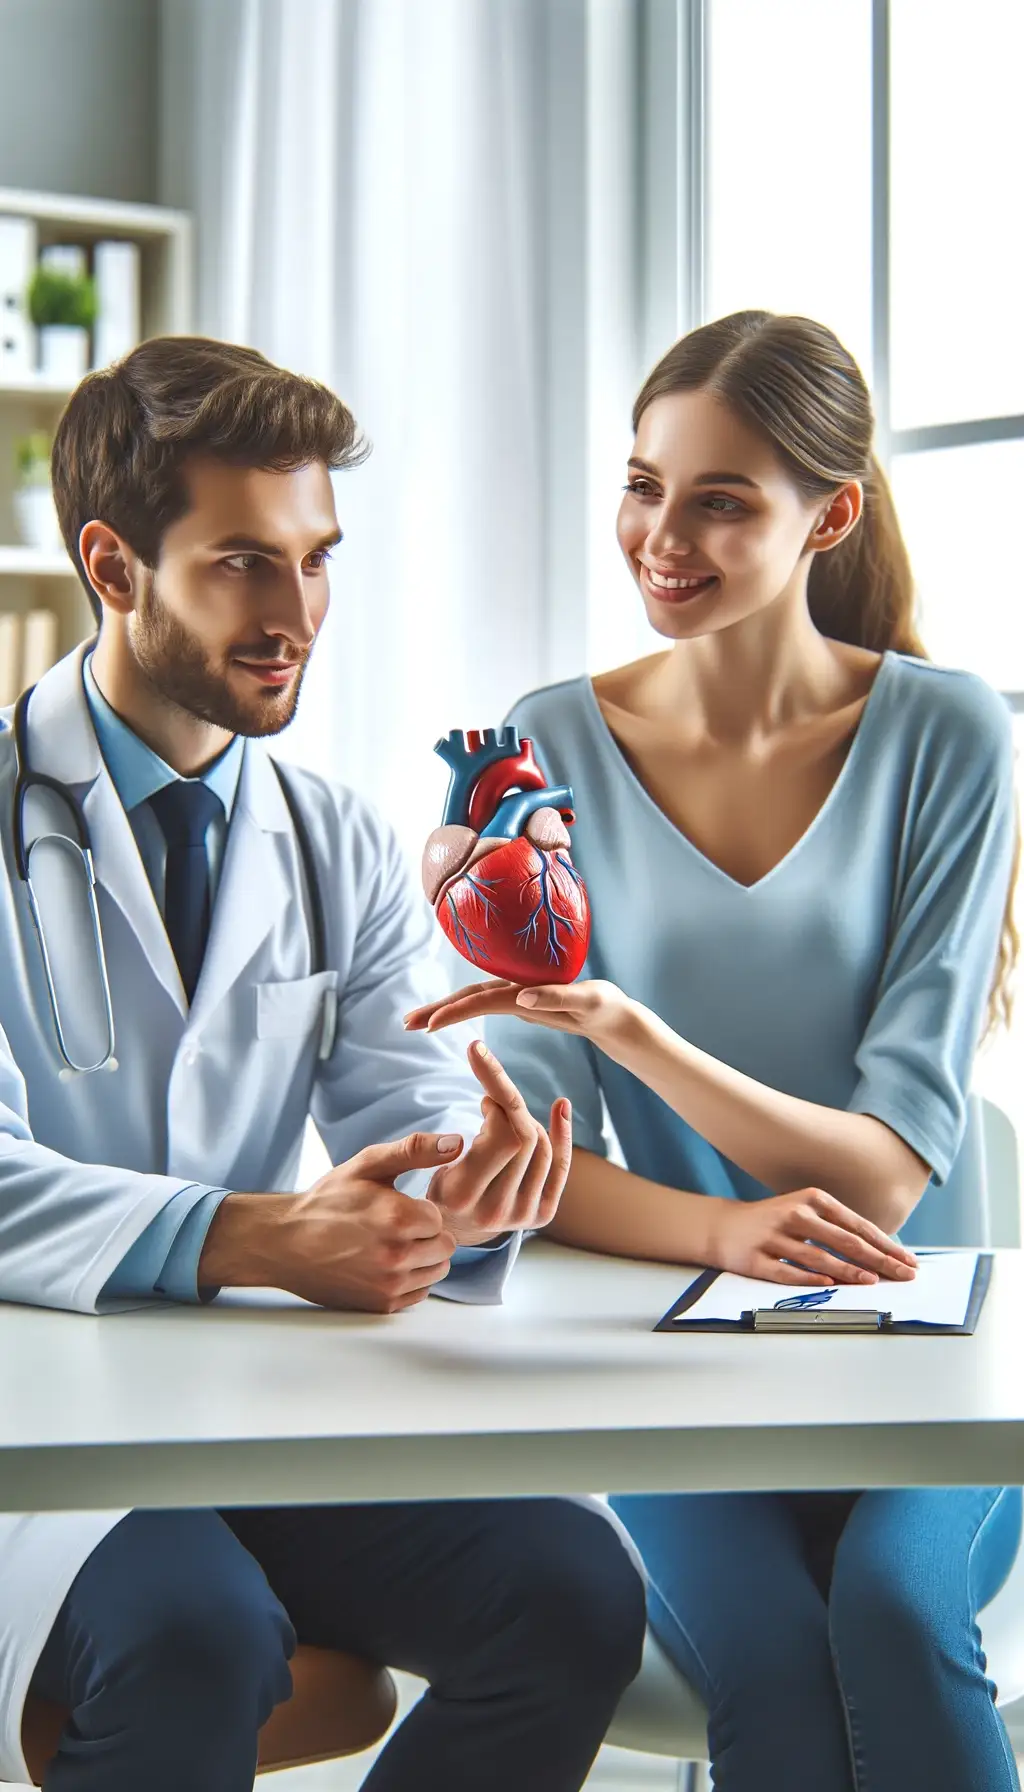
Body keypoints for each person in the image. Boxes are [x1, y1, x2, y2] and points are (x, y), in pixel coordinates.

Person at [0, 336, 646, 1792]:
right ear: (114, 567)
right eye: (243, 563)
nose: (299, 613)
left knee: (573, 1591)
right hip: (30, 1437)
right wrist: (261, 1234)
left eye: (318, 559)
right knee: (198, 1637)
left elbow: (408, 1102)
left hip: (243, 1413)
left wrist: (460, 1191)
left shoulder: (333, 834)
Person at [406, 310, 1023, 1792]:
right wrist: (724, 1231)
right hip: (664, 1352)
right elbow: (531, 1169)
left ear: (834, 515)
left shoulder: (957, 735)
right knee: (764, 1665)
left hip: (930, 1356)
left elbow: (882, 1183)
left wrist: (636, 1035)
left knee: (891, 1613)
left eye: (720, 498)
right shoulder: (540, 752)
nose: (659, 536)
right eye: (642, 485)